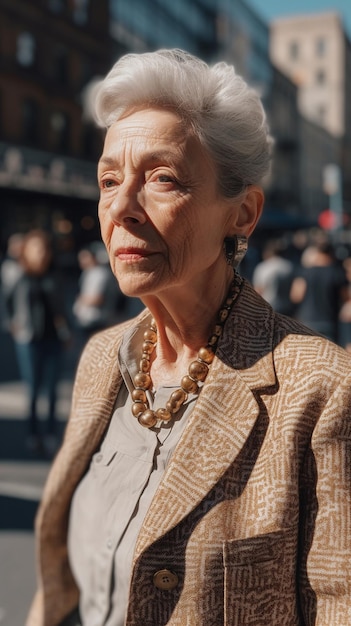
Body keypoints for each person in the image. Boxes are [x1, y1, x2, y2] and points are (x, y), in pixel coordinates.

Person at [27, 50, 351, 626]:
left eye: (162, 179)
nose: (121, 207)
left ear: (243, 214)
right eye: (108, 180)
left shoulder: (322, 390)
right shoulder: (104, 358)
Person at [5, 229, 71, 456]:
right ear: (27, 251)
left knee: (52, 390)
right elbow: (7, 301)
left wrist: (67, 331)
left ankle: (51, 433)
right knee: (33, 389)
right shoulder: (18, 274)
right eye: (36, 248)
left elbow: (61, 307)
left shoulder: (54, 275)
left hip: (53, 338)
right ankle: (33, 433)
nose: (41, 253)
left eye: (44, 249)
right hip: (29, 339)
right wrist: (13, 325)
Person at [290, 240, 348, 343]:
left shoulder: (305, 272)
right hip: (330, 321)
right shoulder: (337, 272)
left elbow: (296, 296)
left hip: (307, 320)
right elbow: (345, 297)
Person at [252, 237, 295, 316]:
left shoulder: (263, 267)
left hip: (268, 306)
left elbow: (258, 290)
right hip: (286, 308)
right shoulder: (289, 266)